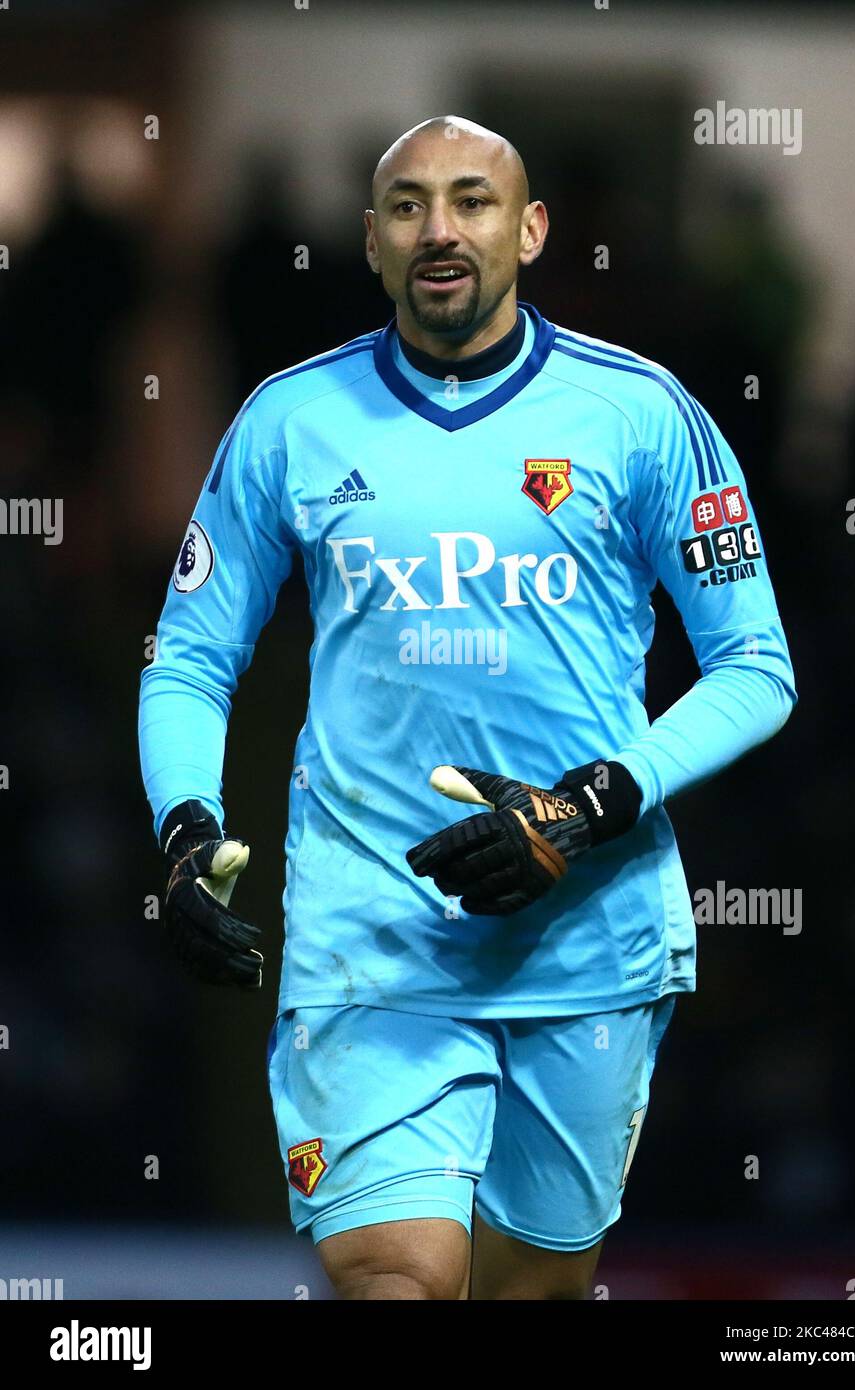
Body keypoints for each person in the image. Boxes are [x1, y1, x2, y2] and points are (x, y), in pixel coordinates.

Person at [138, 116, 796, 1299]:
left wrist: (588, 804)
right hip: (367, 937)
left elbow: (754, 665)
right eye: (405, 206)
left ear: (530, 229)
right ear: (372, 243)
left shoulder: (642, 415)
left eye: (471, 201)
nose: (438, 228)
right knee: (399, 1278)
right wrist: (186, 831)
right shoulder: (290, 421)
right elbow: (188, 653)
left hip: (586, 938)